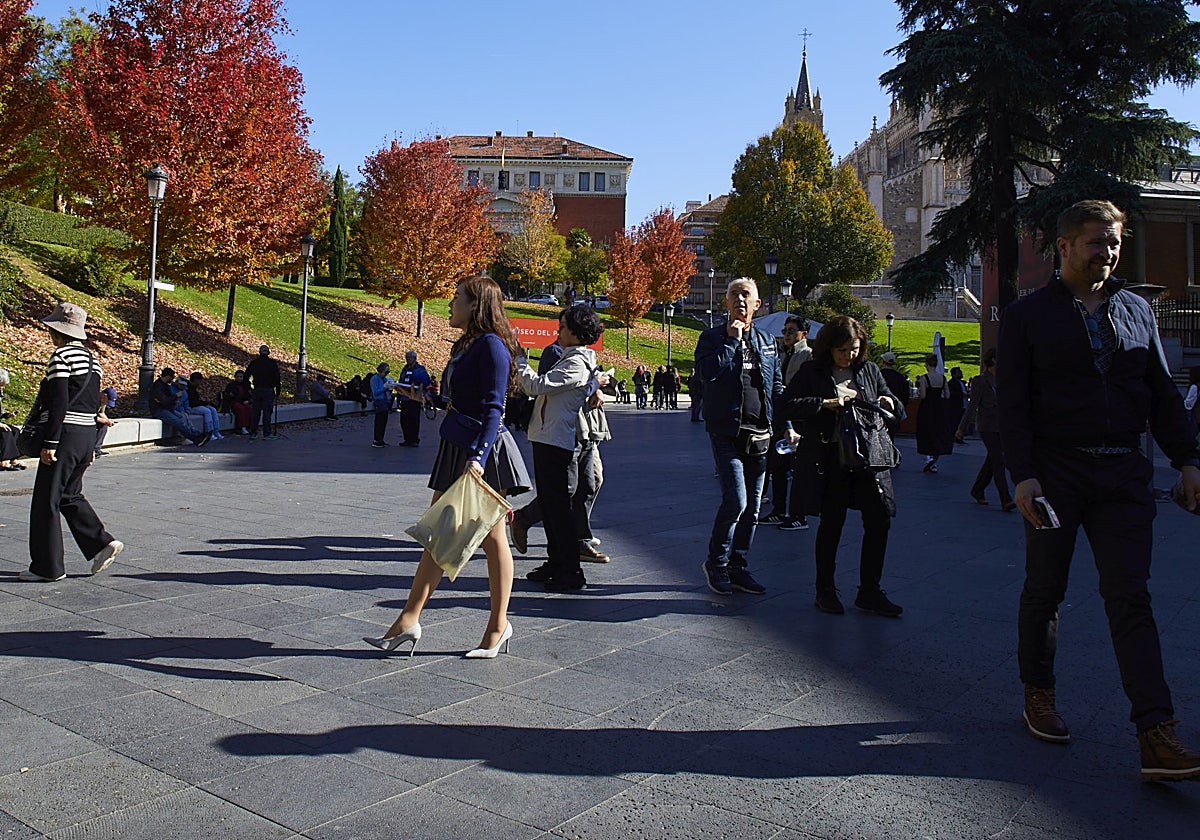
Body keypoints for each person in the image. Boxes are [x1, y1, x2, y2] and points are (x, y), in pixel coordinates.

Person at [998, 199, 1200, 779]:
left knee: (1131, 598)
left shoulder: (1137, 310)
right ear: (1062, 247)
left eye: (1113, 242)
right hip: (1056, 476)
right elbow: (1013, 406)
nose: (1108, 253)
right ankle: (1038, 693)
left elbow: (1161, 391)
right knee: (1045, 591)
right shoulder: (1026, 317)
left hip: (1122, 476)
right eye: (1096, 243)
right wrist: (1024, 476)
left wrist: (1186, 459)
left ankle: (1156, 731)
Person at [365, 274, 530, 658]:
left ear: (477, 305)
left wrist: (478, 458)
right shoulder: (469, 344)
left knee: (490, 541)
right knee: (445, 535)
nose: (450, 303)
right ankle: (410, 619)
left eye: (457, 297)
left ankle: (495, 626)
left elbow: (495, 409)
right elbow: (462, 400)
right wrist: (424, 397)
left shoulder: (491, 345)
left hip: (477, 454)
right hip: (458, 446)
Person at [779, 315, 902, 617]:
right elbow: (787, 405)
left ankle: (870, 590)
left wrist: (887, 402)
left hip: (869, 460)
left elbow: (896, 407)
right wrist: (826, 403)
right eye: (842, 350)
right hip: (830, 459)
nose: (849, 355)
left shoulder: (869, 370)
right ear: (829, 348)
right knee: (831, 525)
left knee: (879, 521)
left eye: (855, 349)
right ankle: (826, 590)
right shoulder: (813, 371)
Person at [20, 302, 123, 582]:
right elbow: (92, 403)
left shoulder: (61, 357)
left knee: (46, 501)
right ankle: (101, 543)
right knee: (70, 495)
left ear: (57, 330)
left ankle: (47, 567)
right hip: (85, 435)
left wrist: (50, 442)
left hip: (63, 435)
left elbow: (59, 401)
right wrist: (90, 445)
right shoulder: (93, 360)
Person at [694, 277, 779, 596]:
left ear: (757, 304)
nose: (740, 300)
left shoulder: (768, 342)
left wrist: (785, 426)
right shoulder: (713, 337)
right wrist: (731, 342)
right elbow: (706, 373)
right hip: (726, 431)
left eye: (746, 295)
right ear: (726, 303)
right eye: (734, 295)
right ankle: (716, 562)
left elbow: (775, 386)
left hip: (761, 433)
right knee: (736, 501)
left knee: (754, 508)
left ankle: (738, 566)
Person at [516, 304, 607, 591]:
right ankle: (556, 563)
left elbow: (535, 386)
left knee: (559, 512)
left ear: (577, 332)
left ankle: (570, 572)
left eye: (564, 326)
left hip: (556, 442)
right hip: (548, 438)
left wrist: (519, 359)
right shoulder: (572, 358)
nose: (559, 331)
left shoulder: (576, 363)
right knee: (555, 508)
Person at [762, 315, 812, 531]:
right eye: (785, 331)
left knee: (799, 468)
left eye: (791, 331)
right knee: (777, 466)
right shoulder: (783, 355)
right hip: (782, 416)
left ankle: (799, 515)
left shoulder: (808, 356)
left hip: (800, 419)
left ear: (804, 334)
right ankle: (779, 510)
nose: (786, 335)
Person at [956, 351, 1014, 510]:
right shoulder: (980, 381)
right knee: (998, 460)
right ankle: (1005, 498)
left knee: (992, 461)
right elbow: (972, 406)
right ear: (993, 361)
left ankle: (978, 489)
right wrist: (961, 428)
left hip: (1001, 426)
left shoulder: (1002, 379)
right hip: (987, 426)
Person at [151, 369, 209, 446]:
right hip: (159, 410)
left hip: (168, 408)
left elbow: (168, 399)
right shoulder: (157, 386)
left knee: (182, 418)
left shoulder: (166, 385)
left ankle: (199, 435)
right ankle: (197, 438)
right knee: (178, 422)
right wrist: (176, 396)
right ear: (168, 376)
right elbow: (164, 400)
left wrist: (173, 400)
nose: (172, 379)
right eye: (172, 377)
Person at [916, 353, 953, 472]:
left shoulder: (924, 378)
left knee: (927, 431)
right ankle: (935, 460)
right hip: (940, 407)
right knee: (939, 432)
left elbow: (923, 395)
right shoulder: (942, 378)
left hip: (928, 406)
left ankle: (929, 457)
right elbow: (947, 395)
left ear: (926, 364)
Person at [390, 350, 431, 446]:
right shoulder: (404, 369)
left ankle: (414, 440)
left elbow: (426, 381)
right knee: (404, 420)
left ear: (414, 358)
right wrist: (399, 396)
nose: (407, 359)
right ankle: (407, 439)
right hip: (404, 398)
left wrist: (416, 381)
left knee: (414, 419)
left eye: (409, 357)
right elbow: (401, 381)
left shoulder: (420, 369)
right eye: (406, 357)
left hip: (414, 398)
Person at [245, 345, 281, 440]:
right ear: (268, 353)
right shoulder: (272, 363)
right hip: (268, 390)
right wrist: (278, 389)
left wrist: (249, 387)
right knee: (267, 413)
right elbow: (277, 377)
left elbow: (246, 376)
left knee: (255, 412)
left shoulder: (254, 363)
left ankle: (253, 433)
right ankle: (267, 433)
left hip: (257, 389)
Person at [183, 372, 224, 440]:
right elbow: (193, 402)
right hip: (191, 407)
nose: (200, 383)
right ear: (196, 380)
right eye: (199, 381)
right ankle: (209, 432)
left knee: (213, 410)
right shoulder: (189, 389)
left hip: (196, 405)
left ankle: (216, 431)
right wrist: (204, 403)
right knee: (207, 411)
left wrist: (206, 403)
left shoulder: (194, 388)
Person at [370, 362, 396, 447]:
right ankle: (376, 439)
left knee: (384, 421)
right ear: (381, 371)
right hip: (379, 401)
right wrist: (384, 387)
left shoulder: (384, 379)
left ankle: (381, 439)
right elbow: (375, 392)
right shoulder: (375, 379)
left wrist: (390, 387)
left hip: (385, 401)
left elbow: (387, 390)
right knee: (379, 421)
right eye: (386, 372)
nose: (386, 374)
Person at [221, 370, 253, 435]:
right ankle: (242, 427)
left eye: (241, 377)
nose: (239, 378)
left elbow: (250, 395)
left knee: (249, 408)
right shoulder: (231, 385)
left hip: (245, 402)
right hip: (234, 402)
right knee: (240, 409)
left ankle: (250, 426)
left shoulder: (246, 385)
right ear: (235, 377)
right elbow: (230, 396)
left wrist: (248, 401)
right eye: (237, 377)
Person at [92, 386, 118, 457]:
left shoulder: (104, 401)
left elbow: (101, 413)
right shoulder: (95, 399)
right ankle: (93, 450)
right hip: (87, 419)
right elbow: (91, 416)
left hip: (94, 418)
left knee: (104, 426)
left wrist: (107, 420)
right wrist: (103, 420)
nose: (106, 403)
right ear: (104, 395)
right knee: (102, 423)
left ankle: (97, 449)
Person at [946, 366, 968, 442]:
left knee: (961, 422)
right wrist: (962, 395)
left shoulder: (961, 382)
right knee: (954, 422)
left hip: (962, 405)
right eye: (959, 372)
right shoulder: (951, 383)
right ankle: (952, 437)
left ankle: (959, 437)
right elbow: (951, 394)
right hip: (955, 406)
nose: (961, 373)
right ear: (954, 374)